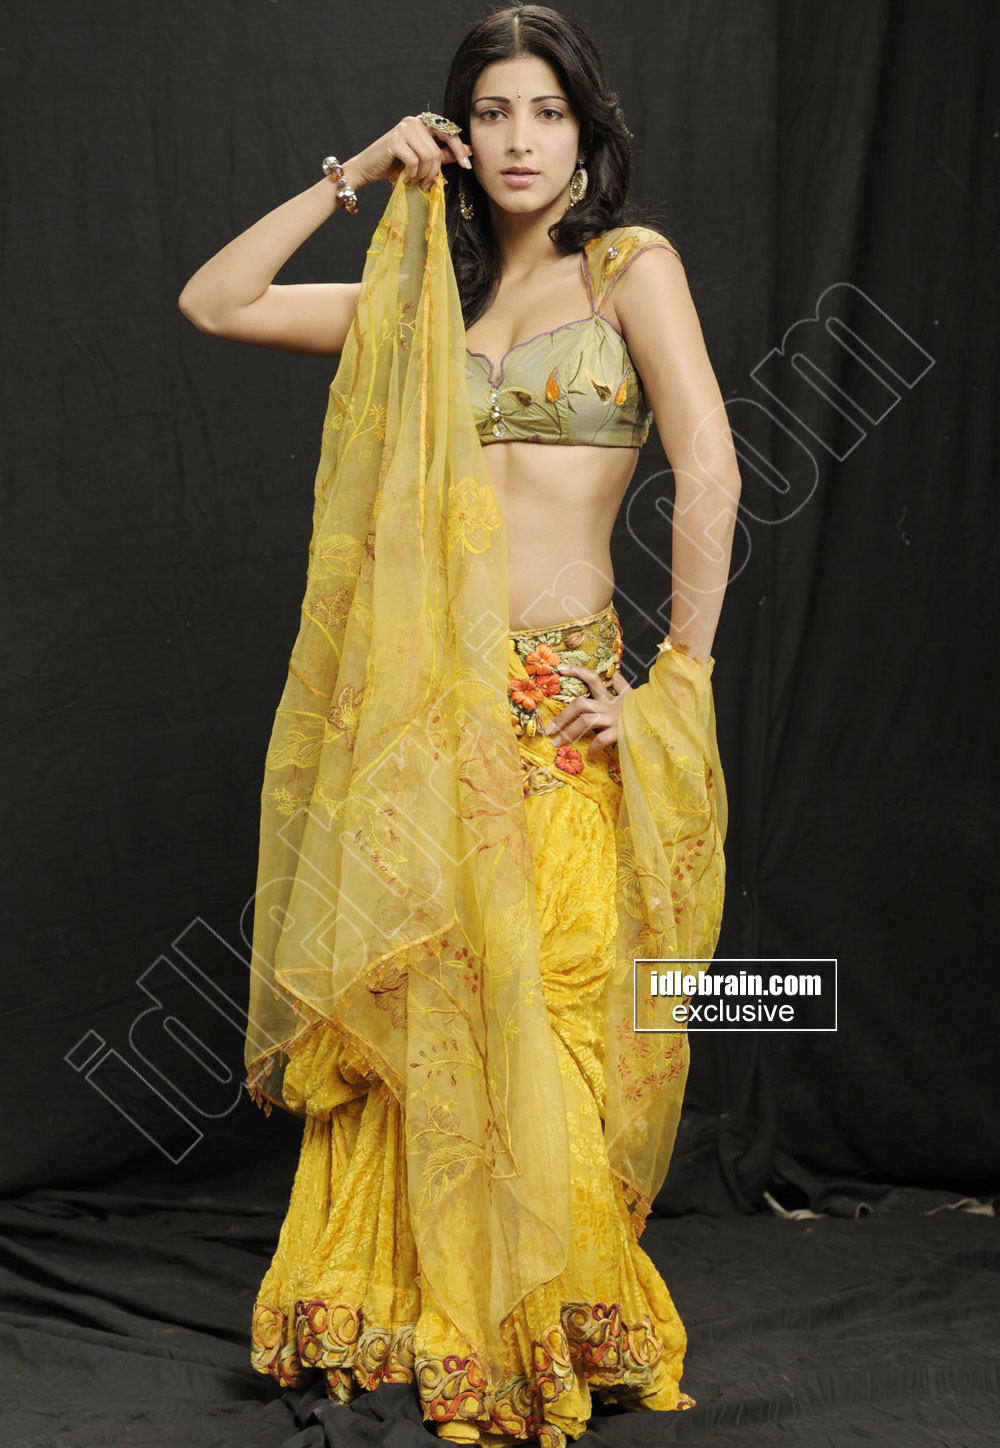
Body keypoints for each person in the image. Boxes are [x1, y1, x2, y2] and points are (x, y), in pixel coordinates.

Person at [178, 7, 740, 1444]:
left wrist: (675, 677)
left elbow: (712, 469)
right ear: (459, 132)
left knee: (550, 1015)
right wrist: (359, 172)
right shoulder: (418, 301)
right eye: (492, 113)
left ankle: (541, 1313)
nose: (519, 139)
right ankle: (407, 1307)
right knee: (425, 1015)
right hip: (427, 723)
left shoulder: (629, 270)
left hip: (561, 712)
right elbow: (217, 300)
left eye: (546, 111)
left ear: (586, 130)